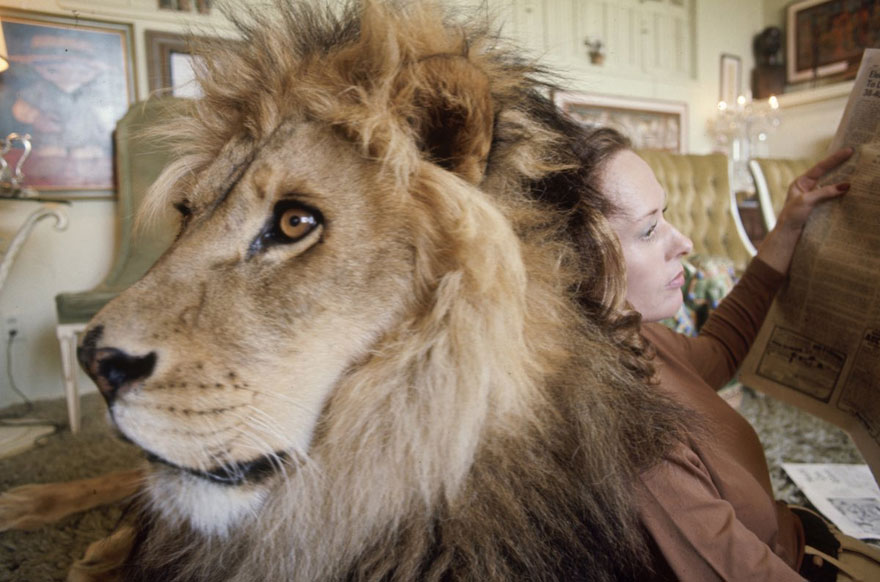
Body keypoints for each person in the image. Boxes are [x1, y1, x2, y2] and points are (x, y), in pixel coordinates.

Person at [576, 126, 880, 581]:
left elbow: (716, 352)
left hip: (814, 541)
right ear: (581, 260)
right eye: (650, 229)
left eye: (667, 216)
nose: (684, 243)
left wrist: (788, 227)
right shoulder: (634, 440)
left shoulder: (629, 337)